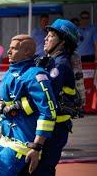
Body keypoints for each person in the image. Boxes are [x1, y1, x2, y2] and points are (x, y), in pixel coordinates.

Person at [0, 34, 57, 175]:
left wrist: (37, 147)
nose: (8, 52)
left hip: (22, 144)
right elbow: (6, 108)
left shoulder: (36, 75)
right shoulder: (9, 73)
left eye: (13, 49)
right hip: (5, 140)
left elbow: (48, 112)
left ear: (26, 52)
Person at [30, 19, 79, 176]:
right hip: (50, 127)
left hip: (55, 129)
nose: (45, 38)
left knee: (43, 170)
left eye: (50, 36)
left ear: (62, 42)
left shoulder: (60, 65)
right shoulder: (52, 61)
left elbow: (45, 95)